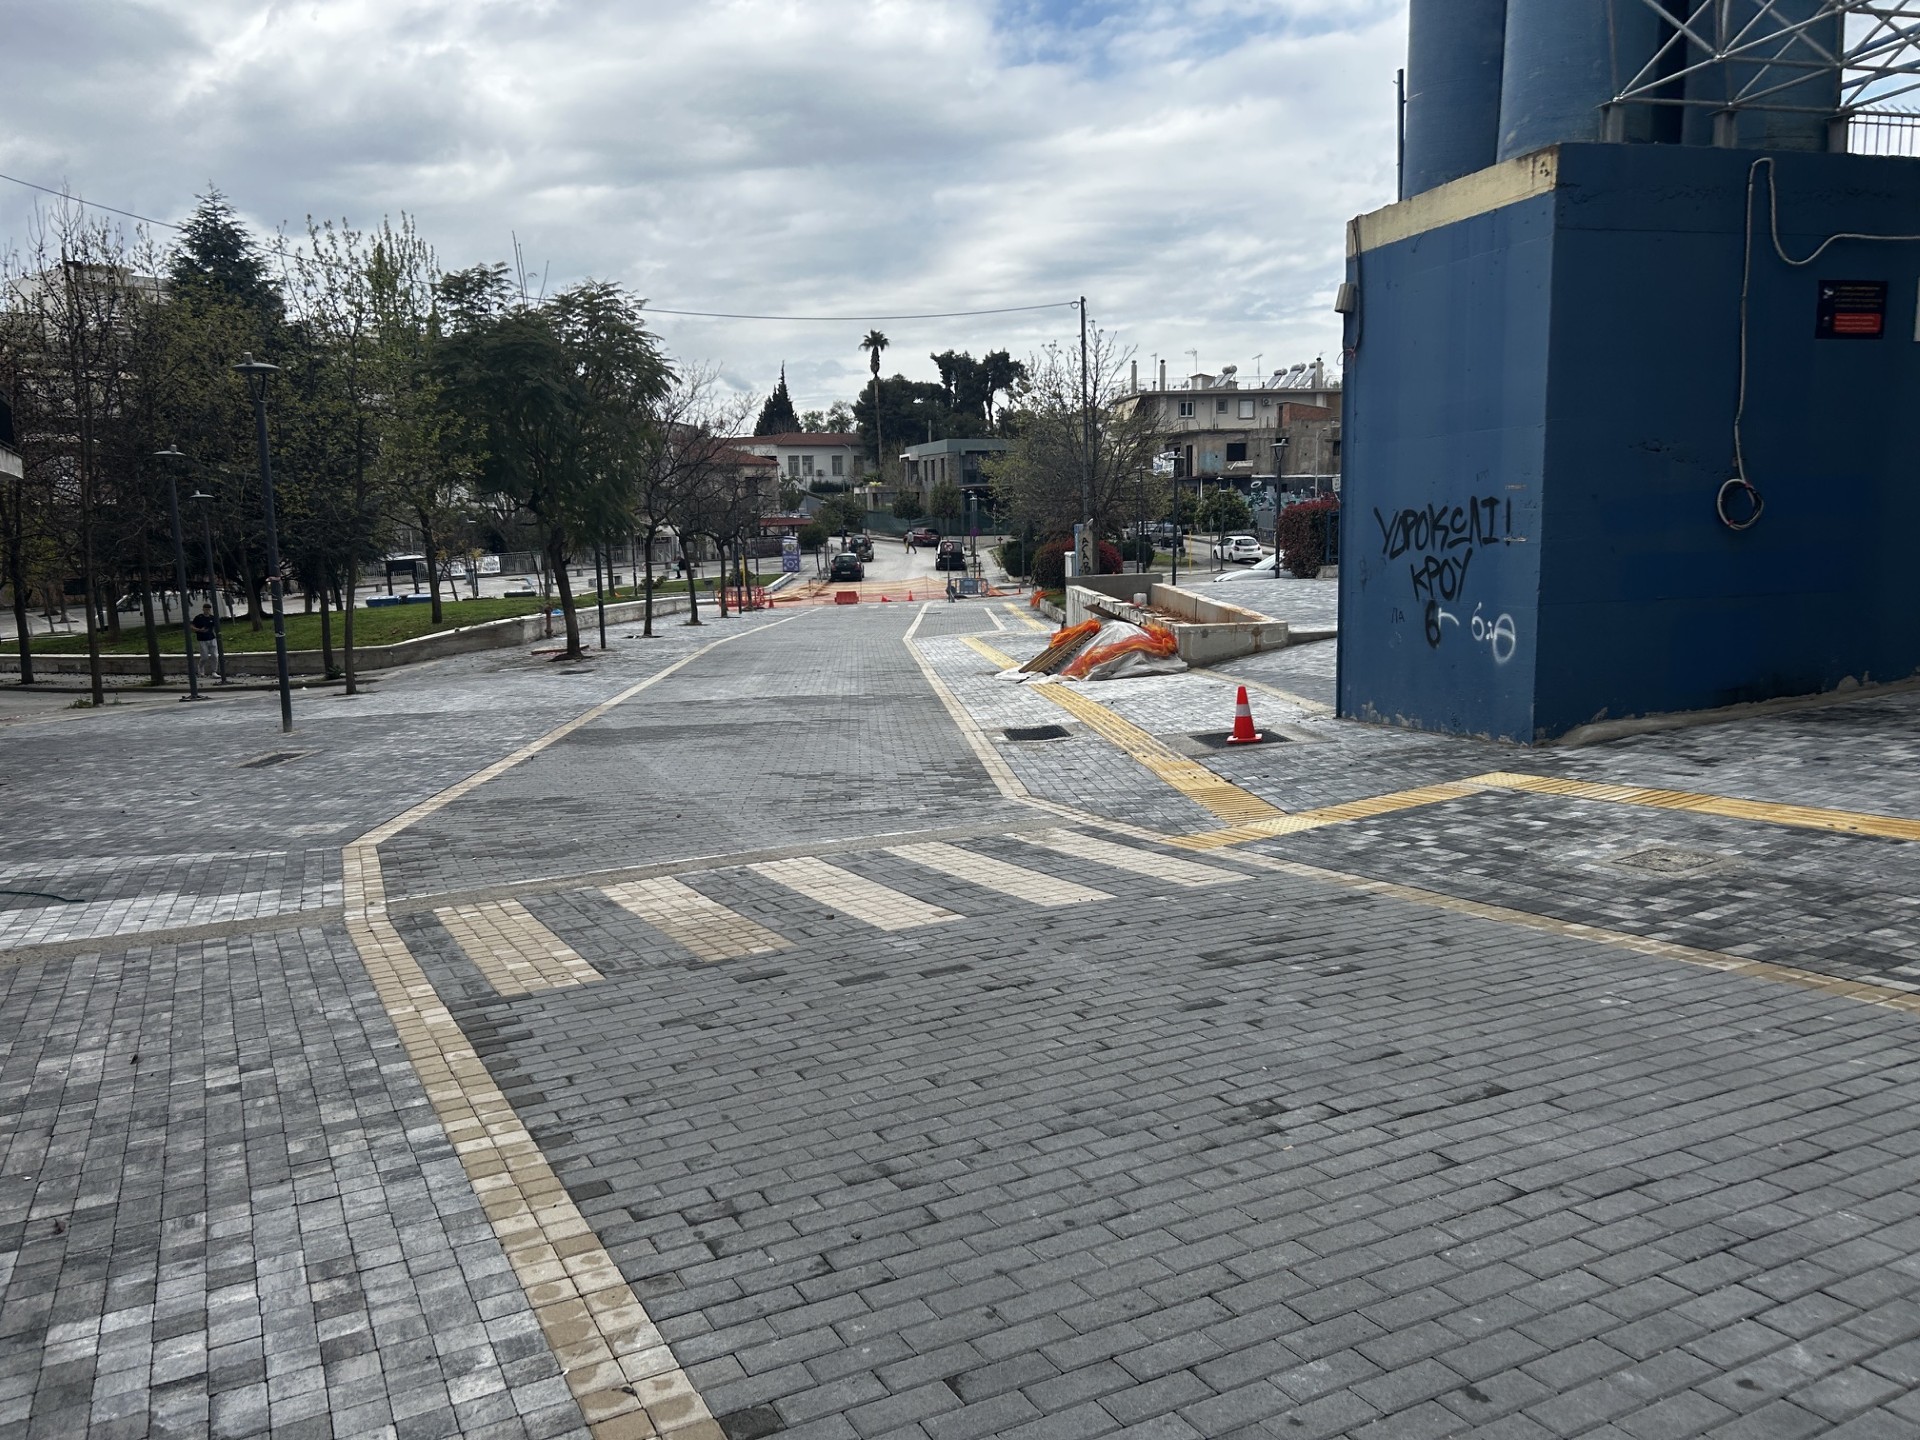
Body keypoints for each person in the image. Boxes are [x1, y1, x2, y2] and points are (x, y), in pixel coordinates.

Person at [191, 605, 219, 679]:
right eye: (206, 609)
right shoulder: (198, 617)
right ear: (203, 609)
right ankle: (200, 668)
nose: (207, 611)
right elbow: (192, 626)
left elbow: (215, 627)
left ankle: (214, 671)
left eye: (209, 609)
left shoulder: (212, 618)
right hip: (202, 639)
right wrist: (199, 630)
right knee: (204, 657)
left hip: (212, 638)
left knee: (214, 655)